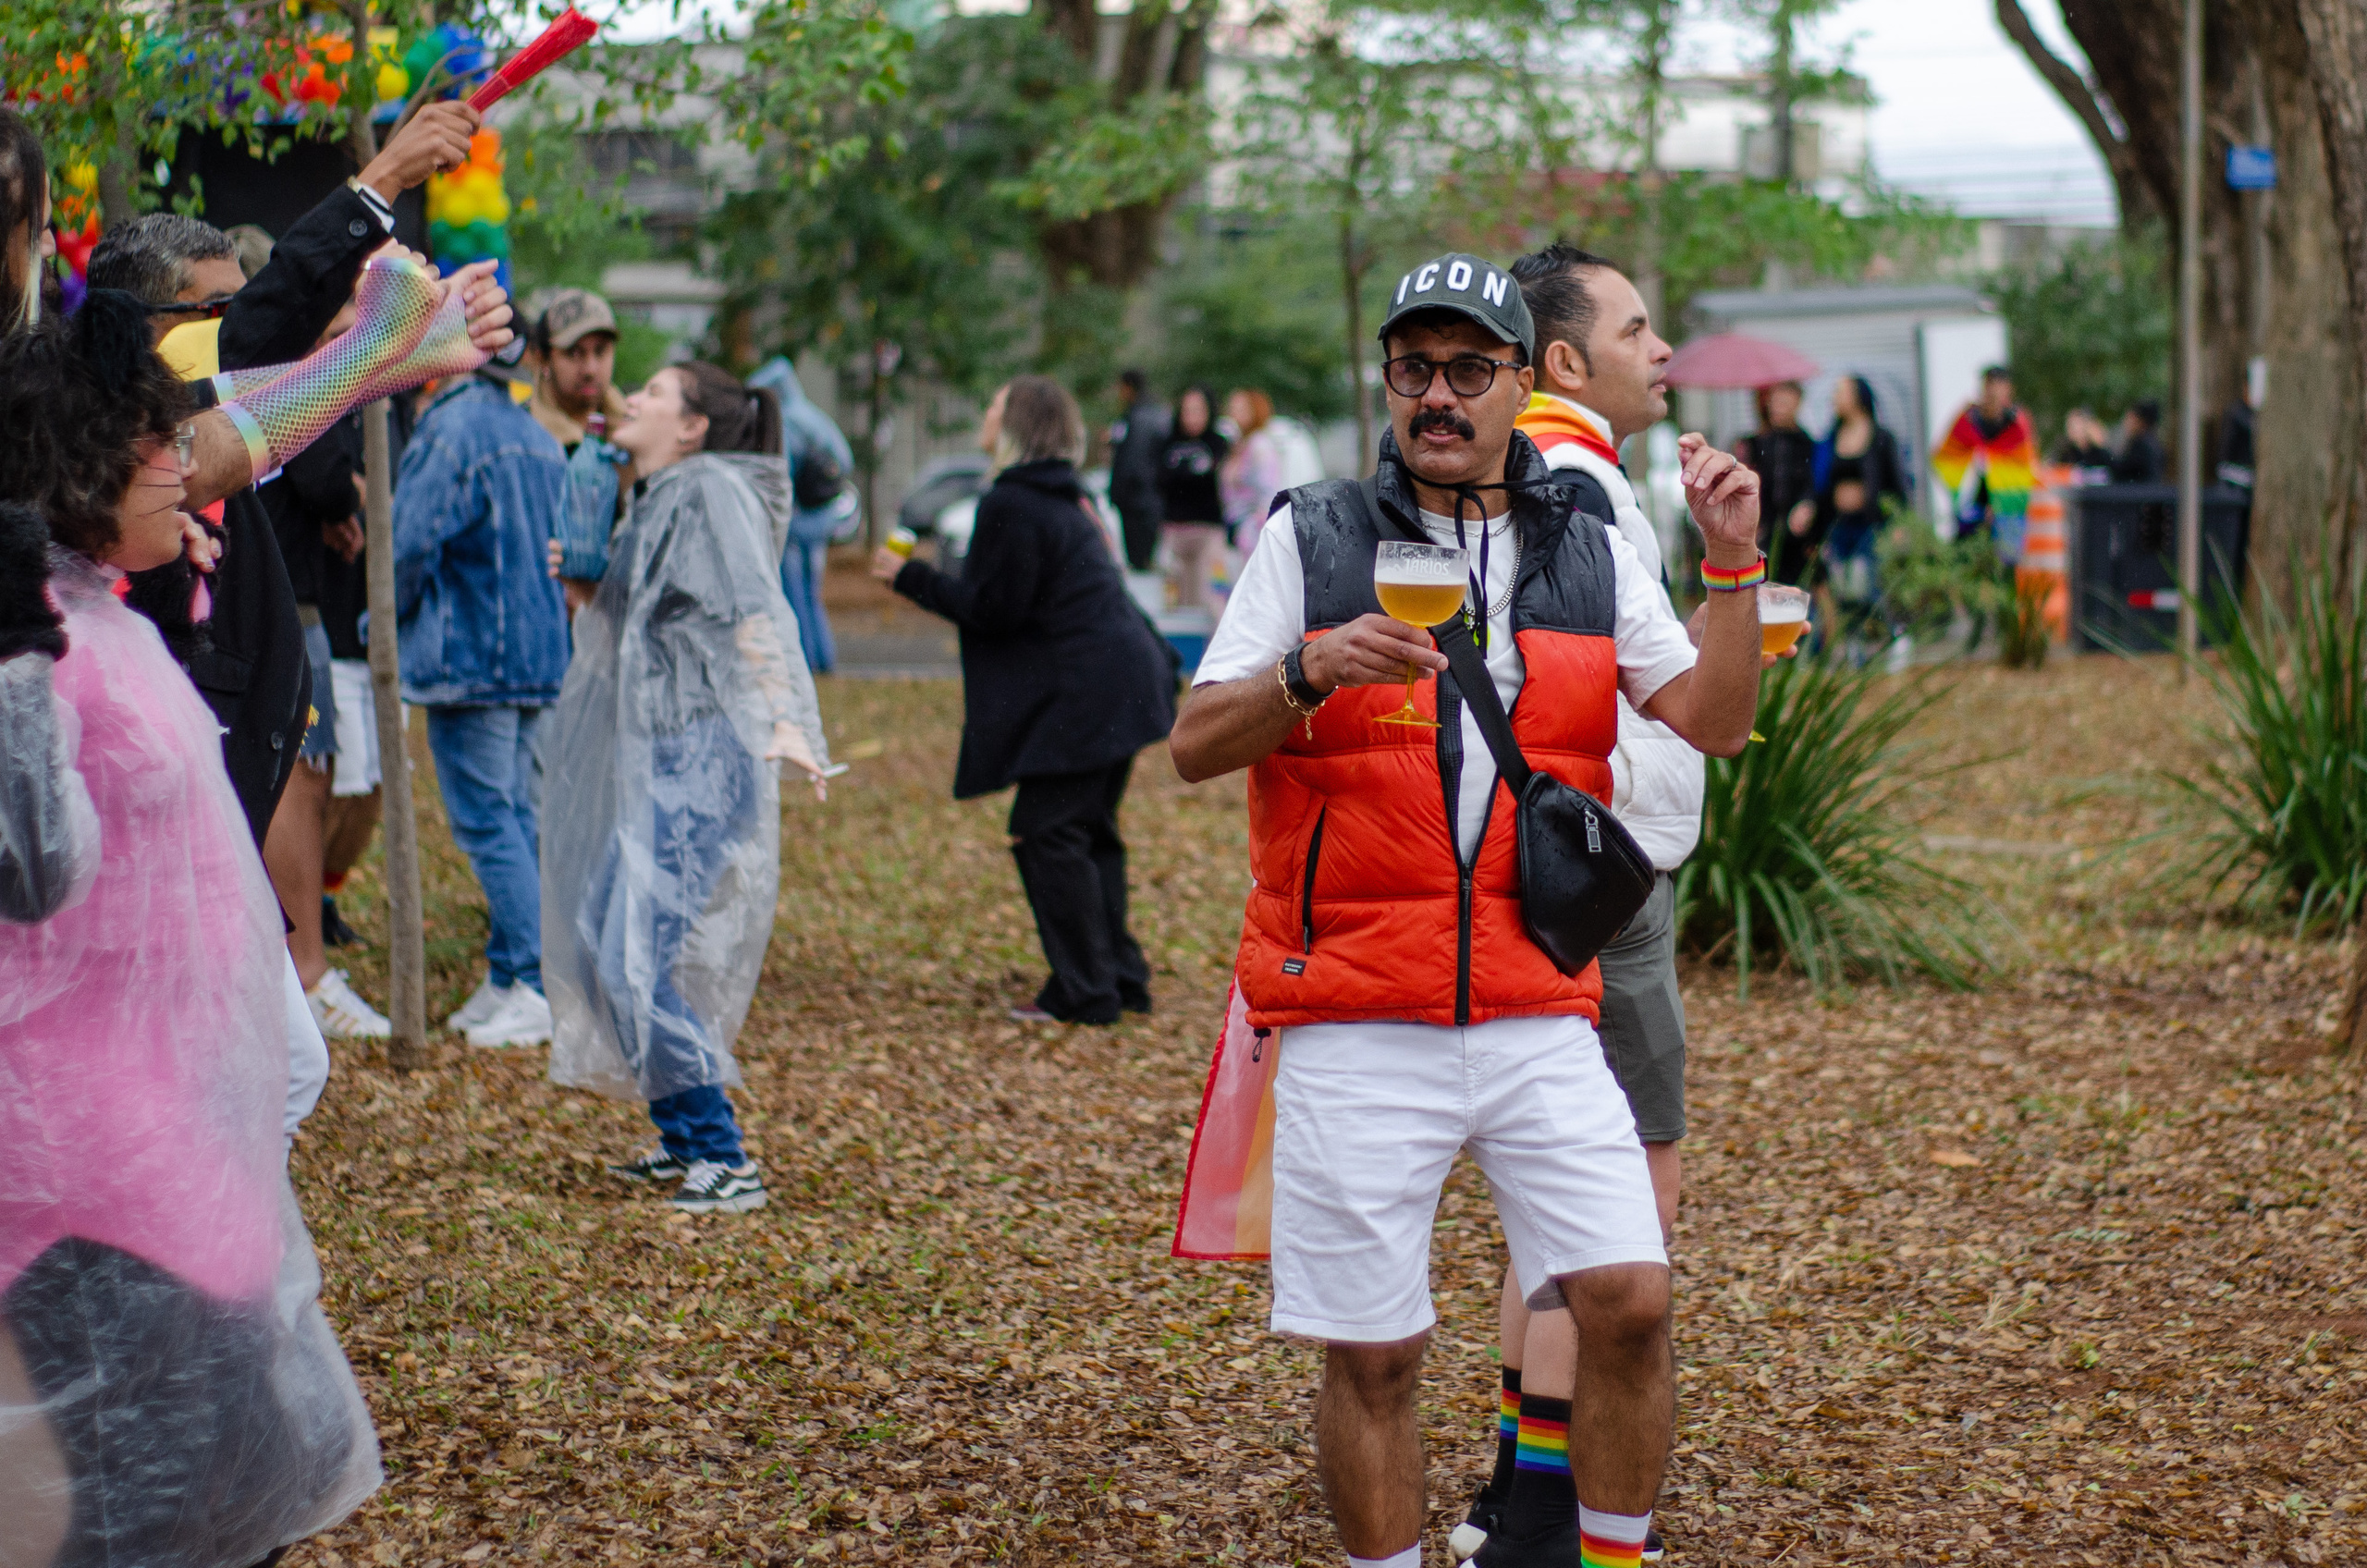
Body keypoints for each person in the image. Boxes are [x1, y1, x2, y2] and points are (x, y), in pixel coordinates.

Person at [1170, 250, 1766, 1568]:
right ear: (1388, 381)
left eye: (1467, 370)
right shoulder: (1313, 534)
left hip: (1534, 1001)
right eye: (1413, 369)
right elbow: (1196, 742)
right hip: (1356, 1012)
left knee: (1629, 1301)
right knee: (1377, 1356)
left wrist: (1733, 565)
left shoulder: (1591, 545)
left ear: (1519, 382)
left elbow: (1717, 722)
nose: (1438, 396)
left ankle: (1609, 1558)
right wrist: (1309, 667)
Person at [0, 296, 382, 1568]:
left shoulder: (105, 612)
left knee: (223, 1505)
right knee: (129, 1524)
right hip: (83, 1193)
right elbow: (34, 866)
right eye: (150, 444)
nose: (183, 464)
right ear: (68, 467)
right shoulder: (37, 647)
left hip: (176, 1165)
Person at [543, 362, 831, 1216]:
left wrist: (788, 721)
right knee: (604, 944)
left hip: (707, 755)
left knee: (632, 954)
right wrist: (592, 587)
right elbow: (654, 623)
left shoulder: (706, 491)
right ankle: (683, 1140)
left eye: (659, 391)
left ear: (695, 426)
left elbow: (754, 609)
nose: (635, 396)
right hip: (669, 749)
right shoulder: (663, 495)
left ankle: (724, 1155)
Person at [872, 377, 1178, 1025]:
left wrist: (912, 577)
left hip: (1092, 690)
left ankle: (1085, 990)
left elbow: (994, 609)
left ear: (1015, 425)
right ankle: (1118, 977)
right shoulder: (1065, 497)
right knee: (1086, 831)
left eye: (992, 405)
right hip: (1125, 682)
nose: (984, 415)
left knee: (1047, 832)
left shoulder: (1014, 500)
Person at [394, 354, 572, 1048]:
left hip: (472, 650)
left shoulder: (449, 432)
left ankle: (534, 981)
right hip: (538, 651)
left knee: (487, 821)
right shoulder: (537, 435)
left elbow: (409, 542)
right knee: (518, 815)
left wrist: (384, 622)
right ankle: (507, 977)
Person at [258, 248, 394, 1038]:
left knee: (318, 774)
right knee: (301, 778)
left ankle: (304, 957)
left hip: (306, 606)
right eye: (340, 326)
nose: (352, 342)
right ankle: (303, 968)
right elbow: (323, 480)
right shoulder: (294, 388)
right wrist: (347, 498)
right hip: (292, 609)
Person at [752, 354, 857, 674]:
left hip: (797, 523)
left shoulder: (785, 422)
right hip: (824, 516)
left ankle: (807, 661)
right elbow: (846, 461)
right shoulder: (813, 416)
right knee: (814, 593)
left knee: (795, 593)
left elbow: (782, 479)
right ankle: (824, 658)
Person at [1810, 375, 1910, 653]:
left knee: (1872, 586)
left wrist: (1900, 523)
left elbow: (1898, 484)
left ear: (1858, 397)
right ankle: (1856, 647)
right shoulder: (1830, 439)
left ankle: (1894, 638)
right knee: (1844, 587)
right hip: (1839, 526)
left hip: (1871, 525)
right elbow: (1820, 483)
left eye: (1841, 391)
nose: (1835, 397)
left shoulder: (1880, 438)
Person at [1931, 364, 2037, 558]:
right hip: (1971, 501)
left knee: (2007, 561)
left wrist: (1997, 504)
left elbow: (2024, 464)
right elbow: (1946, 455)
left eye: (1999, 386)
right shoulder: (1968, 418)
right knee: (1968, 558)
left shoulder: (2017, 422)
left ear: (2009, 389)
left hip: (2008, 503)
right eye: (1990, 386)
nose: (1994, 392)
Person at [1735, 379, 1819, 585]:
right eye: (1775, 401)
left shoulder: (1808, 444)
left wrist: (1808, 504)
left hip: (1798, 531)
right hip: (1766, 526)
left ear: (1797, 403)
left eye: (1785, 402)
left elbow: (1815, 483)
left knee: (1810, 579)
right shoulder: (1755, 443)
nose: (1778, 407)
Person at [1159, 383, 1232, 618]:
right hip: (1174, 530)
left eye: (1198, 410)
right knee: (1174, 602)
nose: (1192, 417)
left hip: (1207, 530)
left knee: (1212, 601)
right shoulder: (1167, 444)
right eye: (1187, 410)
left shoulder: (1218, 443)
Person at [1108, 367, 1169, 571]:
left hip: (1138, 502)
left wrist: (1118, 493)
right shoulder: (1155, 413)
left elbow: (1133, 463)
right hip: (1149, 499)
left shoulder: (1139, 417)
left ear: (1128, 387)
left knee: (1140, 564)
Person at [1221, 387, 1290, 568]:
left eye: (1241, 409)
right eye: (1232, 408)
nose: (1234, 414)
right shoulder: (1239, 444)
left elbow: (1268, 491)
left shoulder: (1259, 446)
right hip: (1236, 527)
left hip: (1252, 531)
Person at [2111, 398, 2167, 484]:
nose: (2126, 423)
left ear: (2140, 421)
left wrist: (2100, 446)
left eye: (2130, 418)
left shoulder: (2142, 446)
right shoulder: (2152, 443)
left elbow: (2120, 470)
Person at [2049, 408, 2114, 480]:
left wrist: (2102, 444)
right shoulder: (2065, 453)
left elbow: (2114, 470)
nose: (2076, 430)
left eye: (2079, 425)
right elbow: (2053, 471)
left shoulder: (2098, 453)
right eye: (2072, 426)